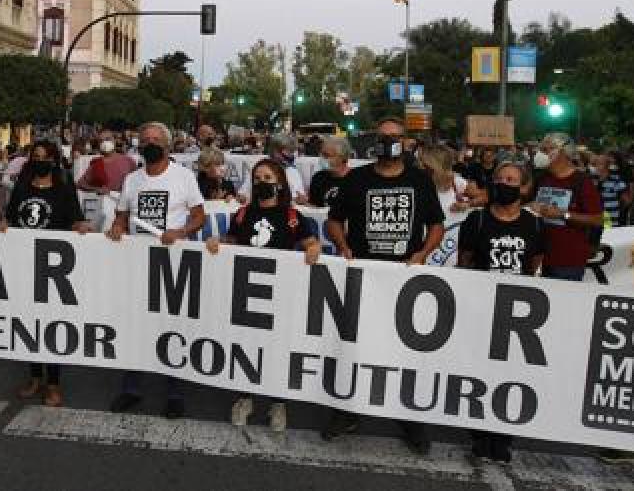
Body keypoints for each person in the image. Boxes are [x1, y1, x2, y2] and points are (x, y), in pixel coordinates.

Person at [322, 117, 445, 454]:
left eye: (396, 137)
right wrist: (343, 245)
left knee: (405, 351)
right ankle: (347, 411)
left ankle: (410, 419)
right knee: (354, 345)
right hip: (364, 277)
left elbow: (437, 225)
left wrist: (422, 254)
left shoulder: (420, 180)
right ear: (375, 141)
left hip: (405, 278)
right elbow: (334, 220)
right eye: (384, 136)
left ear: (406, 143)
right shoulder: (358, 178)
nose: (389, 141)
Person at [210, 158, 320, 432]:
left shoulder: (292, 216)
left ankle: (278, 402)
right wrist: (218, 242)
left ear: (280, 183)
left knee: (278, 348)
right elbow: (232, 240)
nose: (262, 183)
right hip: (247, 292)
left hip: (280, 294)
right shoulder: (243, 214)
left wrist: (313, 247)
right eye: (257, 178)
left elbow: (309, 241)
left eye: (268, 178)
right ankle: (244, 398)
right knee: (246, 344)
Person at [107, 121, 206, 419]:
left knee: (170, 327)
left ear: (166, 145)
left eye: (154, 139)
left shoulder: (183, 177)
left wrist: (180, 232)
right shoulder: (132, 180)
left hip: (171, 264)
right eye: (144, 139)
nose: (148, 143)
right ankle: (131, 388)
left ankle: (175, 392)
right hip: (137, 265)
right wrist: (116, 226)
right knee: (135, 326)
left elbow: (199, 216)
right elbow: (122, 215)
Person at [456, 162, 544, 464]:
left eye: (511, 180)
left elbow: (533, 266)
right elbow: (465, 262)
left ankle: (503, 436)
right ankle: (479, 435)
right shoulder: (476, 220)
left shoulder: (533, 224)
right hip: (482, 309)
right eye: (499, 179)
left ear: (524, 188)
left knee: (510, 376)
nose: (503, 184)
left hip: (518, 316)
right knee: (481, 373)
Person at [0, 139, 91, 407]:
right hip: (25, 267)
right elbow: (12, 218)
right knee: (29, 325)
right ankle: (34, 377)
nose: (40, 161)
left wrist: (80, 227)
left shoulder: (64, 189)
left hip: (54, 271)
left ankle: (53, 383)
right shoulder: (22, 187)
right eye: (35, 156)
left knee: (51, 327)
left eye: (45, 157)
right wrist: (4, 225)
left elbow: (75, 219)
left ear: (53, 160)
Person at [529, 132, 602, 282]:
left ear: (561, 152)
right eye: (541, 150)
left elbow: (599, 220)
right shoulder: (541, 178)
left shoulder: (582, 181)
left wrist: (563, 214)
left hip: (567, 260)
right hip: (539, 256)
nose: (540, 154)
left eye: (546, 150)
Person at [76, 130, 136, 196]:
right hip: (106, 202)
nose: (105, 142)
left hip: (126, 201)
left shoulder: (128, 161)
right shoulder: (96, 164)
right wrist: (96, 189)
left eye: (108, 139)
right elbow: (81, 184)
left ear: (114, 140)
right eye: (101, 141)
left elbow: (138, 181)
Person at [419, 143, 470, 218]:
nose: (421, 167)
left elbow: (484, 199)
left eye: (426, 166)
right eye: (420, 163)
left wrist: (467, 204)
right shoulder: (419, 183)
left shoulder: (458, 182)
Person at [308, 136, 352, 207]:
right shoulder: (318, 178)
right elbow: (314, 205)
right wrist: (306, 203)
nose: (322, 158)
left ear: (342, 157)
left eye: (326, 155)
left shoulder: (356, 181)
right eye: (321, 154)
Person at [594, 152, 632, 228]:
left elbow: (627, 200)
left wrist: (617, 210)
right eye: (596, 164)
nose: (597, 166)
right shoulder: (592, 180)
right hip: (594, 218)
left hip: (609, 217)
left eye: (601, 163)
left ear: (607, 165)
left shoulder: (616, 180)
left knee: (607, 237)